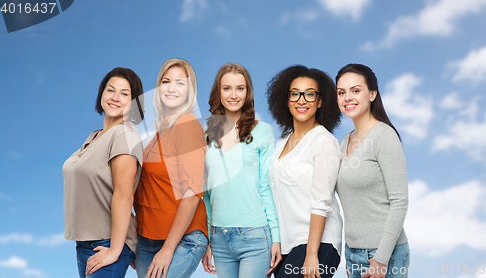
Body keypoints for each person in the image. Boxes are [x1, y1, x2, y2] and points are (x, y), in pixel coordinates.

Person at [201, 62, 282, 278]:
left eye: (240, 88)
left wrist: (276, 237)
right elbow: (206, 194)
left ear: (248, 92)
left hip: (255, 235)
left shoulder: (263, 131)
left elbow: (266, 187)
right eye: (227, 88)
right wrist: (208, 238)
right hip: (219, 237)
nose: (234, 95)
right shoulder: (204, 134)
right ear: (218, 92)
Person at [63, 67, 145, 278]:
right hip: (86, 243)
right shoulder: (94, 136)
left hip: (108, 243)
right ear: (101, 94)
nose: (115, 97)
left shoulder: (124, 135)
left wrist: (115, 250)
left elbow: (124, 195)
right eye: (111, 90)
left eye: (124, 93)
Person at [133, 58, 208, 278]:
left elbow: (193, 192)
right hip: (148, 240)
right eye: (166, 81)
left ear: (189, 91)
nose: (172, 88)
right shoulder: (157, 135)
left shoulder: (186, 123)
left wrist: (168, 249)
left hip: (182, 239)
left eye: (180, 83)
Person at [266, 65, 343, 278]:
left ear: (320, 101)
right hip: (286, 247)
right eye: (295, 94)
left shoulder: (324, 141)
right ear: (286, 99)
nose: (302, 100)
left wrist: (311, 253)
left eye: (310, 94)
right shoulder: (281, 142)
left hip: (319, 244)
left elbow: (322, 201)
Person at [335, 63, 409, 278]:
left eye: (355, 90)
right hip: (353, 253)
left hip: (383, 255)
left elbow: (400, 202)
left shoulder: (384, 136)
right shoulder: (345, 141)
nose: (347, 97)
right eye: (342, 92)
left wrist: (381, 259)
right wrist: (351, 253)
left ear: (372, 94)